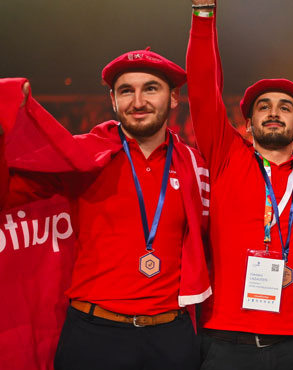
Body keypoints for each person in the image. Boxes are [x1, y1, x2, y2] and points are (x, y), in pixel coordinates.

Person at [0, 48, 211, 370]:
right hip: (95, 335)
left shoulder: (195, 164)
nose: (138, 101)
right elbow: (9, 195)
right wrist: (4, 122)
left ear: (173, 98)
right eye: (127, 91)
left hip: (172, 335)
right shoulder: (82, 155)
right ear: (113, 100)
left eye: (151, 88)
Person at [186, 1, 293, 369]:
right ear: (248, 125)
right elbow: (202, 89)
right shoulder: (227, 156)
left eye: (285, 107)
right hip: (228, 337)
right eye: (263, 107)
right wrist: (203, 16)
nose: (273, 112)